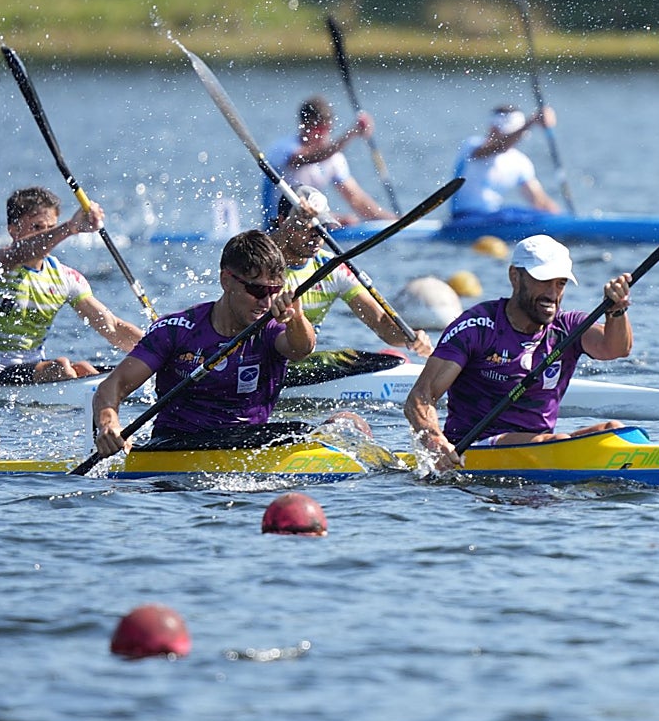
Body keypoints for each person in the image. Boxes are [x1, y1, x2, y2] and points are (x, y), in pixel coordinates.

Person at [404, 234, 633, 471]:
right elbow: (419, 398)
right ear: (515, 276)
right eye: (543, 281)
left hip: (542, 445)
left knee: (614, 430)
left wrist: (616, 311)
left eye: (560, 283)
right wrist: (435, 442)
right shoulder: (476, 328)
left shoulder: (568, 328)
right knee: (558, 441)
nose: (552, 294)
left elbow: (616, 348)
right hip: (474, 448)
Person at [92, 230, 316, 458]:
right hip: (177, 446)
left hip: (248, 443)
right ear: (226, 280)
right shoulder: (176, 329)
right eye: (257, 290)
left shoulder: (271, 327)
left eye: (274, 291)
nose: (266, 302)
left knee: (305, 430)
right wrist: (109, 423)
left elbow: (301, 349)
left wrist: (296, 318)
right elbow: (113, 386)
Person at [0, 186, 144, 384]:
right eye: (37, 227)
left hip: (34, 372)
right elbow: (20, 253)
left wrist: (159, 348)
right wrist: (70, 227)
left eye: (51, 227)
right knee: (61, 367)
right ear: (12, 229)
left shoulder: (64, 277)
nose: (48, 235)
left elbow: (113, 327)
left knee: (85, 369)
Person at [268, 185, 433, 363]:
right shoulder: (259, 262)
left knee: (389, 360)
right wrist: (294, 221)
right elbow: (264, 245)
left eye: (323, 226)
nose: (317, 234)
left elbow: (380, 322)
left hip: (299, 360)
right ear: (283, 221)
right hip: (260, 359)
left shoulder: (332, 268)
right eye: (307, 225)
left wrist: (410, 338)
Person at [263, 94, 393, 228]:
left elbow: (357, 200)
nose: (322, 135)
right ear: (303, 126)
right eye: (317, 129)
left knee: (349, 221)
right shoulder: (283, 149)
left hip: (310, 222)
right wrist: (352, 133)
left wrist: (394, 221)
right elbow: (311, 157)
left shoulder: (334, 159)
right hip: (278, 228)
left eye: (326, 129)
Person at [450, 104, 561, 218]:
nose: (493, 131)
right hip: (465, 218)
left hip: (494, 216)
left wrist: (562, 219)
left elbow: (539, 200)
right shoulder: (472, 145)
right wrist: (532, 122)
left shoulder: (521, 162)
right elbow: (499, 147)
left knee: (533, 214)